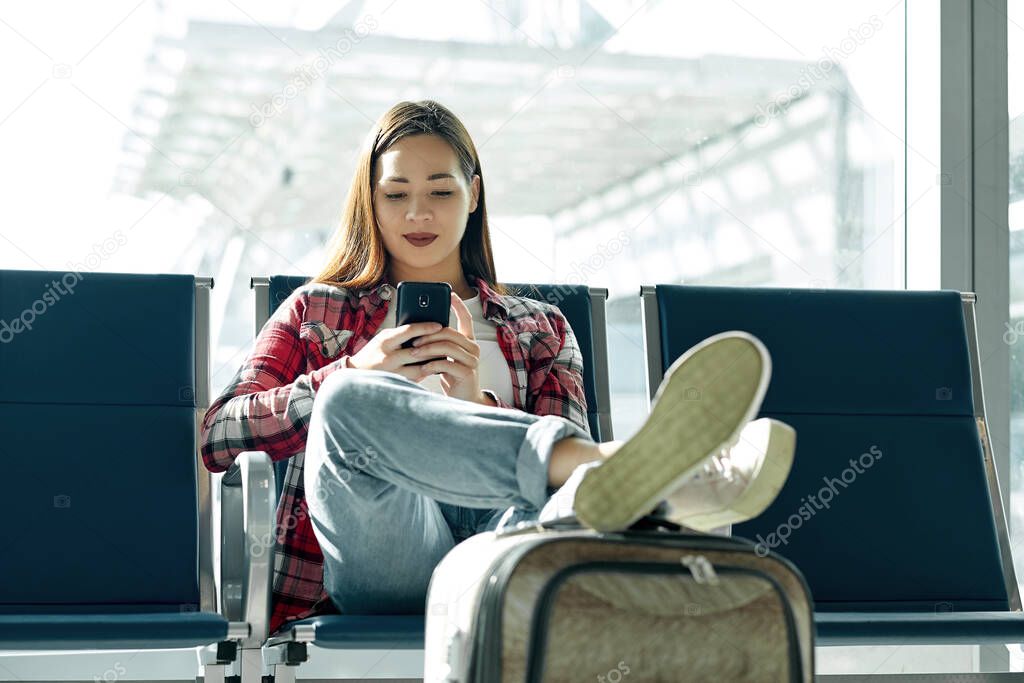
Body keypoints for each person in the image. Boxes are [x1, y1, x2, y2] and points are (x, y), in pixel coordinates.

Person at [200, 99, 795, 635]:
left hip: (502, 551)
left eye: (440, 191)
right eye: (396, 193)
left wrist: (473, 406)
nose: (417, 214)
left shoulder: (542, 327)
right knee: (346, 401)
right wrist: (353, 368)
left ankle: (648, 484)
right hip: (385, 561)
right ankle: (657, 475)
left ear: (474, 194)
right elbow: (218, 435)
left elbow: (549, 498)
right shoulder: (318, 310)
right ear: (370, 201)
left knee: (562, 490)